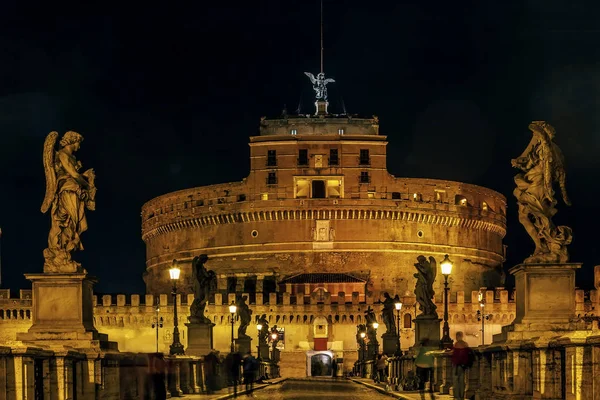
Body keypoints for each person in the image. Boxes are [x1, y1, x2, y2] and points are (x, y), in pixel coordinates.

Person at [451, 331, 471, 399]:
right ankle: (462, 396)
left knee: (456, 381)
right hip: (463, 365)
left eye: (456, 336)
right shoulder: (465, 344)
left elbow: (455, 355)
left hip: (456, 365)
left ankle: (457, 396)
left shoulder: (456, 344)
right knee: (462, 381)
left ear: (458, 336)